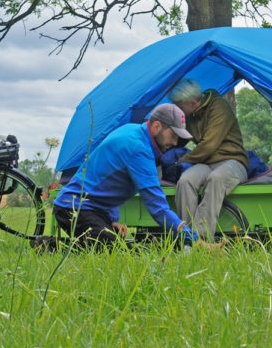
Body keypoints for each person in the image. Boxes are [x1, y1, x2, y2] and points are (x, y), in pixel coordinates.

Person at [51, 103, 203, 250]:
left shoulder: (132, 130)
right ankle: (46, 246)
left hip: (93, 209)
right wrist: (195, 241)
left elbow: (110, 180)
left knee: (116, 248)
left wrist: (111, 220)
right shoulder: (138, 148)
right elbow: (158, 208)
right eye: (173, 135)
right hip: (74, 208)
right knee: (118, 252)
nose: (175, 142)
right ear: (157, 126)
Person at [169, 79, 249, 240]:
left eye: (179, 105)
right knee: (185, 181)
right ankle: (187, 239)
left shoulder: (219, 107)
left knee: (216, 178)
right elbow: (180, 138)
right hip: (207, 163)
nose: (177, 109)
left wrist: (182, 160)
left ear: (192, 103)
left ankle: (201, 239)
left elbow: (209, 145)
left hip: (232, 161)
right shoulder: (189, 114)